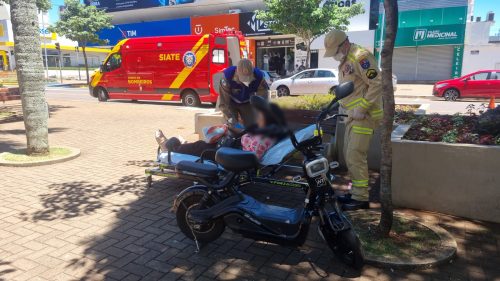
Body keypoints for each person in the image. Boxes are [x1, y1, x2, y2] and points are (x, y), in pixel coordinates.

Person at [324, 29, 383, 210]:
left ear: (344, 44)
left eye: (336, 51)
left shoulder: (361, 57)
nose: (335, 55)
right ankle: (355, 192)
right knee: (350, 156)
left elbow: (377, 82)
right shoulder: (346, 59)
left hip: (364, 116)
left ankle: (361, 198)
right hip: (352, 116)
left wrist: (361, 108)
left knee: (355, 156)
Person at [155, 101, 286, 161]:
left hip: (230, 154)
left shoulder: (264, 138)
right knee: (201, 144)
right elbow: (245, 136)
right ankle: (179, 145)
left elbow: (252, 156)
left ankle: (170, 148)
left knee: (201, 147)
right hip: (231, 147)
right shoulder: (264, 133)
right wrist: (230, 130)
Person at [218, 59, 269, 128]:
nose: (246, 83)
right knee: (232, 126)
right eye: (244, 79)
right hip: (230, 102)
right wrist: (230, 118)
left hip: (247, 102)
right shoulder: (227, 78)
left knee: (252, 126)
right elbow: (223, 102)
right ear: (237, 73)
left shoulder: (259, 77)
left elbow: (263, 97)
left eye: (249, 79)